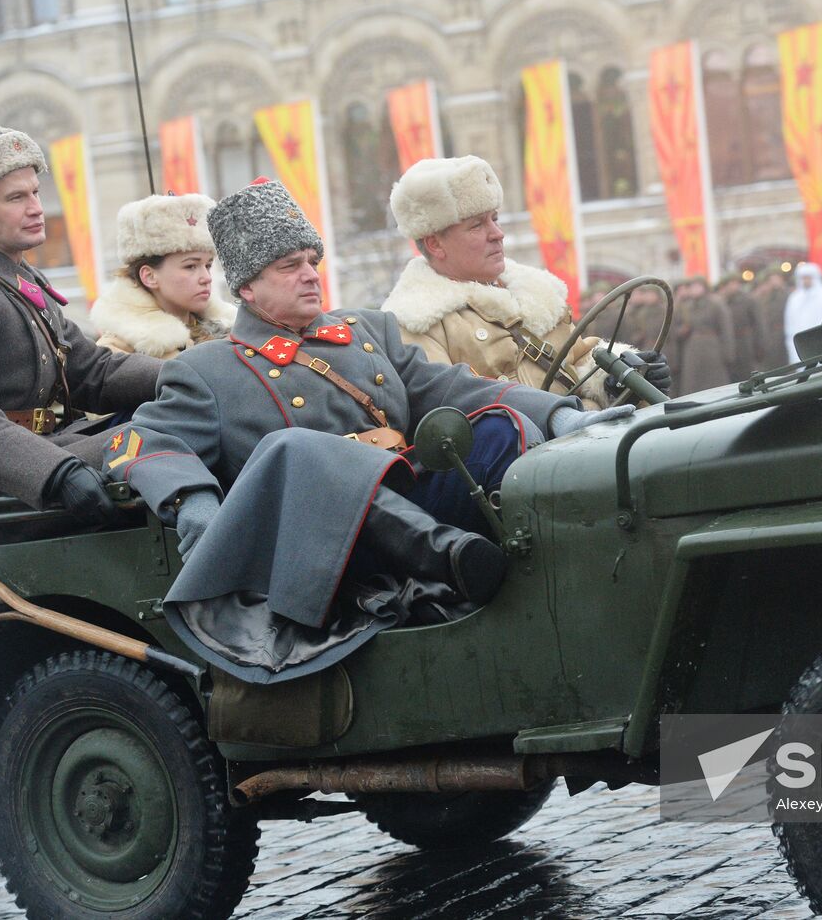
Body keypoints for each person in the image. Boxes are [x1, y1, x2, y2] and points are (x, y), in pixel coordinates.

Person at [105, 177, 631, 682]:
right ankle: (451, 557)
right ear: (247, 285)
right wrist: (195, 504)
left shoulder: (365, 332)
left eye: (313, 262)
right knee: (300, 450)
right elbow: (144, 441)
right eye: (290, 267)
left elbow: (451, 386)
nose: (311, 275)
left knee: (500, 426)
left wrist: (562, 415)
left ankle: (550, 563)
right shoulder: (208, 369)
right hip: (326, 543)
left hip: (408, 490)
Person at [0, 124, 160, 519]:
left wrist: (183, 375)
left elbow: (90, 371)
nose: (36, 207)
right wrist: (55, 473)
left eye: (35, 192)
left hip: (39, 456)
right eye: (16, 198)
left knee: (176, 420)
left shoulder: (16, 278)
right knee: (159, 439)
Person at [382, 156, 669, 408]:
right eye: (477, 225)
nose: (498, 233)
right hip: (525, 461)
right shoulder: (414, 324)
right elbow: (451, 409)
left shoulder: (535, 294)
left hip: (592, 443)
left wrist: (617, 377)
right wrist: (554, 418)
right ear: (435, 244)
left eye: (494, 219)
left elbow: (578, 358)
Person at [91, 193, 235, 359]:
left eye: (208, 265)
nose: (206, 278)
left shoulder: (233, 330)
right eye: (190, 266)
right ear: (149, 276)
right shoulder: (114, 354)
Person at [671, 277, 736, 394]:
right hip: (692, 348)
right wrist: (682, 330)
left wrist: (728, 353)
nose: (694, 290)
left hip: (712, 347)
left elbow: (726, 329)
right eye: (692, 287)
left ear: (704, 287)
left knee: (715, 381)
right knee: (692, 383)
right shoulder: (685, 306)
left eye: (697, 286)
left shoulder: (716, 304)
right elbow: (674, 328)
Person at [782, 262, 822, 363]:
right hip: (800, 344)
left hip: (821, 343)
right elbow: (789, 323)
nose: (806, 281)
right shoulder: (794, 298)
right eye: (803, 278)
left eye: (808, 278)